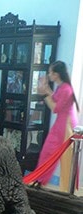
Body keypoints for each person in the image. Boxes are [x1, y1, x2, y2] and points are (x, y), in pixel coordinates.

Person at [36, 60, 79, 191]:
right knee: (47, 152)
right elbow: (55, 98)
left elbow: (55, 108)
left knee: (65, 159)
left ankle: (67, 188)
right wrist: (46, 89)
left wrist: (44, 93)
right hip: (60, 124)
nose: (49, 75)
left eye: (50, 73)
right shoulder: (62, 87)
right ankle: (40, 180)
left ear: (56, 74)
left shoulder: (66, 89)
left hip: (66, 126)